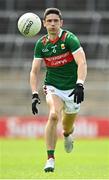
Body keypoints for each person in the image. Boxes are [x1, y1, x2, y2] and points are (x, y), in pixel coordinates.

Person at [30, 8, 87, 172]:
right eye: (49, 21)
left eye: (56, 21)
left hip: (72, 88)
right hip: (53, 86)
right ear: (44, 24)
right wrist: (34, 94)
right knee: (54, 115)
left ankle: (68, 135)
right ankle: (50, 159)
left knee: (67, 126)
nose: (53, 24)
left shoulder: (69, 39)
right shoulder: (41, 44)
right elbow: (34, 71)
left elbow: (82, 63)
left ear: (61, 23)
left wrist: (80, 83)